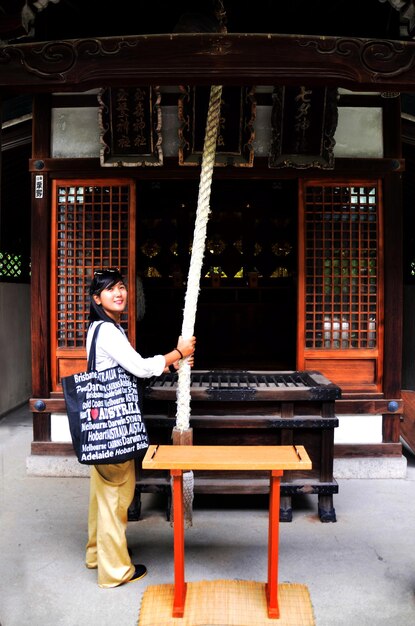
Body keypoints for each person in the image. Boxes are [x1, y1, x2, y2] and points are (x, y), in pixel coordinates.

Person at [85, 268, 196, 588]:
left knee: (100, 494)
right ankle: (114, 571)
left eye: (121, 288)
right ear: (97, 298)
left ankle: (97, 553)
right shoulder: (108, 331)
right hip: (113, 424)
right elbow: (139, 367)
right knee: (116, 497)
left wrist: (171, 362)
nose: (118, 294)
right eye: (110, 290)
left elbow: (129, 366)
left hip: (98, 422)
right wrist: (179, 352)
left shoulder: (97, 328)